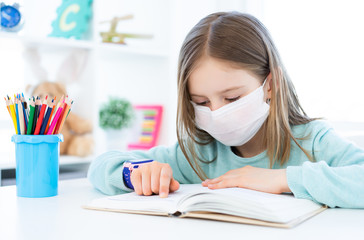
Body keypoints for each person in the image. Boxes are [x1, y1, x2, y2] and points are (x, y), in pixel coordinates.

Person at [88, 11, 364, 208]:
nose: (217, 112)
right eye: (202, 102)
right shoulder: (198, 154)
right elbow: (100, 166)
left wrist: (281, 179)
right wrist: (134, 173)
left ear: (271, 84)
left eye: (231, 98)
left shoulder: (311, 141)